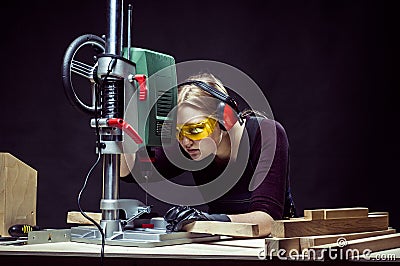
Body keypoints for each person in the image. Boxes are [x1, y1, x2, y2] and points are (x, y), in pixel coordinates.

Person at [120, 73, 296, 237]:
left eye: (196, 129)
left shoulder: (267, 134)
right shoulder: (189, 144)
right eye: (178, 132)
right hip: (220, 241)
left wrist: (207, 220)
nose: (186, 142)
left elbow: (267, 221)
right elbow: (130, 171)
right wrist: (118, 114)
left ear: (225, 118)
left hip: (268, 246)